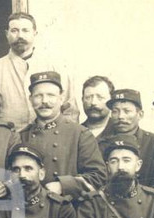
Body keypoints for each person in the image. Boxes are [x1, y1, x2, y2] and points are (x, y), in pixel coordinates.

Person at [19, 71, 106, 199]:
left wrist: (63, 185)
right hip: (31, 212)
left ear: (61, 98)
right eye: (38, 96)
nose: (44, 101)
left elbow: (98, 176)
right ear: (30, 99)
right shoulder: (21, 136)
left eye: (51, 95)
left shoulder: (80, 134)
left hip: (68, 210)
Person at [0, 12, 78, 130]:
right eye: (14, 30)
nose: (20, 35)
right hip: (8, 140)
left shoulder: (55, 67)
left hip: (49, 138)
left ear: (35, 33)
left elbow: (70, 109)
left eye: (25, 30)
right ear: (6, 34)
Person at [97, 89, 154, 187]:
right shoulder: (101, 143)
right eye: (115, 111)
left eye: (127, 111)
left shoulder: (153, 142)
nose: (120, 116)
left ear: (140, 114)